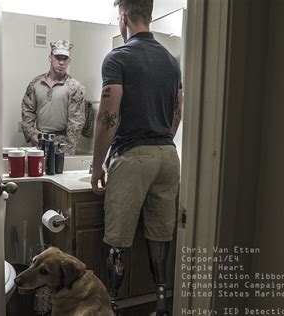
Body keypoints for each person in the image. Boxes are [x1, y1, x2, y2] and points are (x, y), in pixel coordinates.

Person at [90, 0, 183, 315]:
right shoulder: (171, 61)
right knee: (160, 233)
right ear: (150, 15)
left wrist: (95, 168)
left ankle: (112, 305)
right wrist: (162, 139)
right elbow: (177, 110)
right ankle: (161, 303)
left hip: (133, 157)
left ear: (123, 17)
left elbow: (108, 116)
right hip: (169, 157)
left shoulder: (119, 57)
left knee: (118, 237)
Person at [21, 40, 86, 155]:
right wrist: (31, 133)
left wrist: (68, 148)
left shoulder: (74, 87)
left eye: (64, 59)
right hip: (39, 140)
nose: (61, 62)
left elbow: (76, 121)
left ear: (69, 61)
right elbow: (27, 110)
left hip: (62, 143)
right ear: (50, 58)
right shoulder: (36, 83)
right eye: (57, 58)